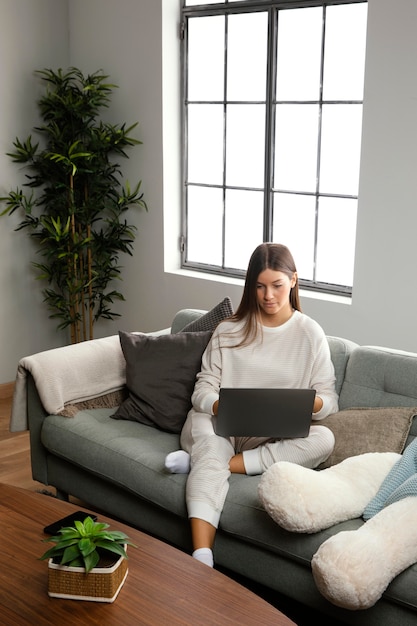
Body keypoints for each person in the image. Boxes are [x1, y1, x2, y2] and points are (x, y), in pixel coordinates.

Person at [165, 242, 339, 568]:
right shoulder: (229, 329)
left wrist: (309, 404)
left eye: (277, 285)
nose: (268, 295)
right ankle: (202, 556)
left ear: (294, 281)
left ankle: (210, 462)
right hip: (220, 424)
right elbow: (202, 390)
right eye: (259, 287)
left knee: (324, 439)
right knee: (204, 426)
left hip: (272, 434)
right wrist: (221, 407)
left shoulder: (310, 333)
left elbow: (329, 401)